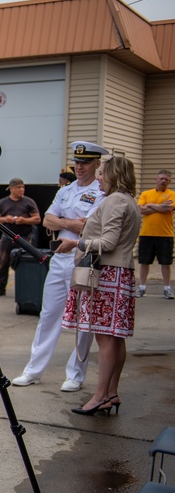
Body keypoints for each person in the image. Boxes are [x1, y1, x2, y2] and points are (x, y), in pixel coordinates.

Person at [12, 142, 105, 393]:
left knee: (83, 319)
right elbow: (48, 219)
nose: (80, 167)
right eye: (77, 163)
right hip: (60, 259)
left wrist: (65, 223)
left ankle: (76, 374)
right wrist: (71, 222)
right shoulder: (66, 190)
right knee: (49, 314)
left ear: (97, 164)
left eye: (85, 163)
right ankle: (33, 370)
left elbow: (91, 226)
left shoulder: (102, 192)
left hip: (84, 260)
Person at [60, 156, 141, 415]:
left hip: (107, 276)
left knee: (105, 339)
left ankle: (99, 396)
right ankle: (110, 393)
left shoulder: (115, 201)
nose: (98, 178)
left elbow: (107, 242)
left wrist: (77, 243)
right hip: (121, 274)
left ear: (114, 175)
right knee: (116, 339)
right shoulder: (129, 201)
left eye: (103, 174)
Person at [0, 178, 41, 296]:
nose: (21, 190)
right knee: (3, 263)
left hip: (24, 238)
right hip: (7, 237)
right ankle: (0, 288)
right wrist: (5, 219)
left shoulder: (29, 202)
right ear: (11, 189)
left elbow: (37, 219)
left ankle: (26, 288)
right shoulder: (2, 202)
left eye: (23, 187)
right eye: (18, 187)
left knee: (24, 264)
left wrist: (24, 220)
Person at [135, 169, 174, 299]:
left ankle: (167, 288)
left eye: (166, 179)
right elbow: (141, 209)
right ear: (156, 179)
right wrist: (159, 206)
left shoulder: (172, 194)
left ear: (169, 181)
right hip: (147, 233)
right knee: (144, 262)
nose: (163, 181)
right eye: (161, 178)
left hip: (165, 234)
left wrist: (150, 206)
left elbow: (168, 208)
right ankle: (142, 287)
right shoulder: (146, 194)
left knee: (165, 263)